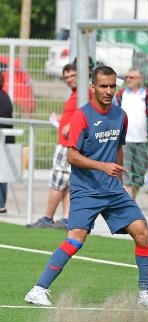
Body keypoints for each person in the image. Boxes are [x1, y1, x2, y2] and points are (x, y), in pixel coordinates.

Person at [24, 66, 148, 308]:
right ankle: (37, 289)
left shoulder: (121, 116)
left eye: (112, 86)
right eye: (103, 86)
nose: (108, 91)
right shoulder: (81, 116)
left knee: (142, 232)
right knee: (76, 239)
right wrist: (102, 167)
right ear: (93, 88)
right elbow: (71, 156)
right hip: (86, 190)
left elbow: (119, 146)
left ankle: (145, 294)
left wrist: (117, 176)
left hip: (112, 189)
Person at [27, 63, 78, 229]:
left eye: (73, 75)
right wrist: (63, 120)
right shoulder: (76, 94)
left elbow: (86, 112)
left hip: (67, 144)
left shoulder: (85, 94)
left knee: (58, 181)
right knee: (66, 182)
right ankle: (66, 218)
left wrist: (70, 125)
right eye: (66, 77)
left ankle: (48, 218)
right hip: (67, 143)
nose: (69, 79)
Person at [114, 68, 148, 200]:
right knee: (126, 172)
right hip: (125, 141)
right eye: (127, 77)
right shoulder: (121, 95)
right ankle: (128, 203)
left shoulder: (147, 96)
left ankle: (132, 198)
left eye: (131, 77)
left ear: (139, 80)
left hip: (142, 140)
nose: (128, 79)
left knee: (140, 174)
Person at [0, 71, 14, 214]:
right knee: (2, 175)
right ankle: (1, 204)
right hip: (7, 139)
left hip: (2, 139)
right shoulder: (6, 96)